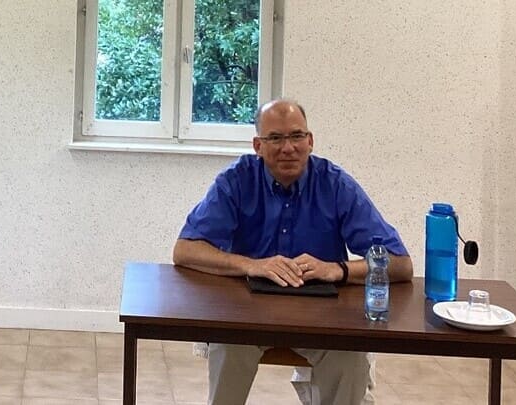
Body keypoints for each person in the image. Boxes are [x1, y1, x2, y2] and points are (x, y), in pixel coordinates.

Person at [172, 99, 413, 405]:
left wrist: (337, 269)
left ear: (310, 141)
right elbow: (185, 250)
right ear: (258, 146)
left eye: (297, 136)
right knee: (228, 346)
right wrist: (252, 265)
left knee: (351, 357)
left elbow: (401, 264)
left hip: (322, 318)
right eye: (275, 138)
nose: (288, 148)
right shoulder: (236, 180)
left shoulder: (336, 184)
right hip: (247, 314)